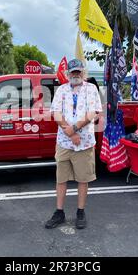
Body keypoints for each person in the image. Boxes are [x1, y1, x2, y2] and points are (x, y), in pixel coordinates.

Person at [45, 59, 102, 229]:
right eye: (73, 72)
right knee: (61, 179)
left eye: (78, 71)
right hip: (64, 142)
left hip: (84, 143)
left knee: (82, 179)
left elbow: (93, 113)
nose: (75, 74)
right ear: (68, 73)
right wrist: (68, 131)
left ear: (83, 72)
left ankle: (80, 211)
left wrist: (75, 129)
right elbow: (56, 113)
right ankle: (59, 212)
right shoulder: (61, 90)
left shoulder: (91, 89)